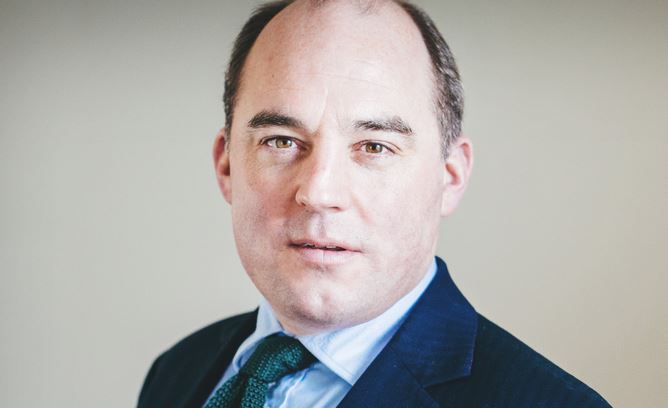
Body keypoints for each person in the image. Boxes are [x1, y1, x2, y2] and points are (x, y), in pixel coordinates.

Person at [138, 1, 610, 407]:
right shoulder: (177, 372)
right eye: (281, 141)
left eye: (374, 147)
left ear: (450, 176)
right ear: (227, 167)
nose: (319, 193)